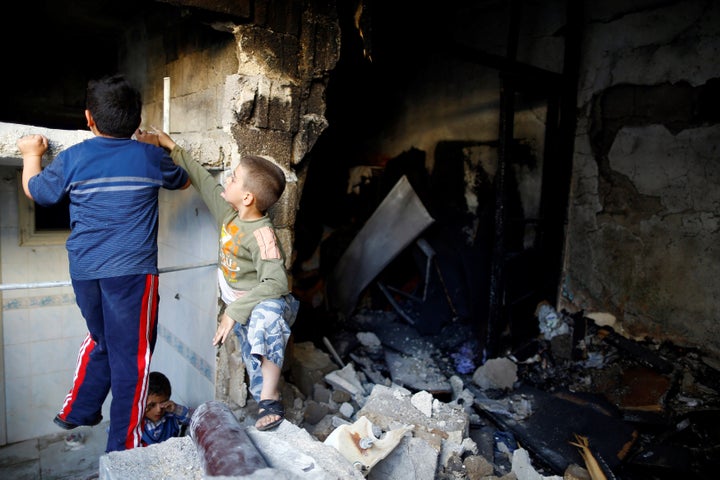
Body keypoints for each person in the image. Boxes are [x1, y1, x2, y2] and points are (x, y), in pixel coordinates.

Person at [16, 74, 191, 452]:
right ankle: (123, 449)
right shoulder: (149, 156)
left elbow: (37, 192)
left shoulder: (73, 157)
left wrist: (31, 154)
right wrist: (162, 144)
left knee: (102, 340)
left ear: (88, 119)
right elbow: (185, 181)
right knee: (134, 360)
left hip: (85, 272)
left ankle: (80, 408)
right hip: (132, 275)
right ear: (136, 122)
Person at [136, 127, 299, 431]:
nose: (228, 180)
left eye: (234, 178)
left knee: (268, 318)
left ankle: (271, 398)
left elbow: (276, 284)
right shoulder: (231, 215)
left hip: (261, 307)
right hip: (241, 310)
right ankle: (265, 403)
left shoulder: (262, 235)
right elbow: (201, 178)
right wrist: (170, 145)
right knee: (255, 365)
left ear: (248, 197)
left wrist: (231, 315)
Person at [142, 372, 193, 445]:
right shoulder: (136, 422)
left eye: (163, 403)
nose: (159, 410)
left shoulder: (171, 416)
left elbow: (196, 419)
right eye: (152, 405)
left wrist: (176, 409)